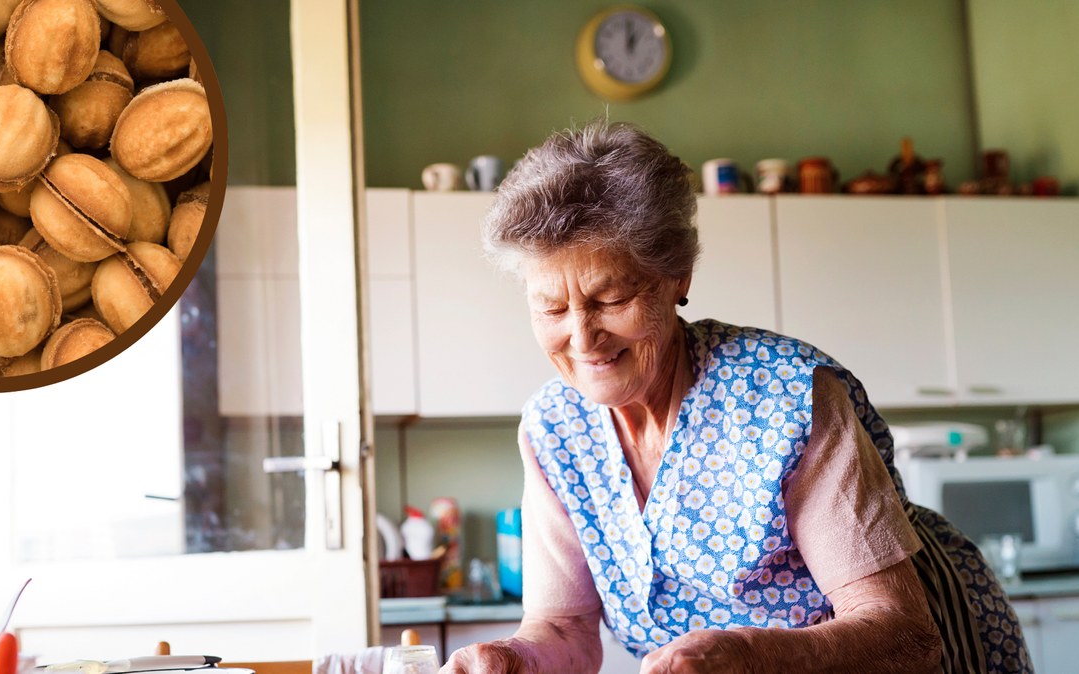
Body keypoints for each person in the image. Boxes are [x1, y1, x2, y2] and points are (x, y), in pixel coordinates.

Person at [440, 121, 1029, 674]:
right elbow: (564, 630)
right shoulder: (553, 427)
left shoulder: (787, 398)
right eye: (550, 307)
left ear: (678, 278)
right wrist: (511, 659)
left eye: (610, 299)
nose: (582, 336)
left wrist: (748, 656)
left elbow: (904, 635)